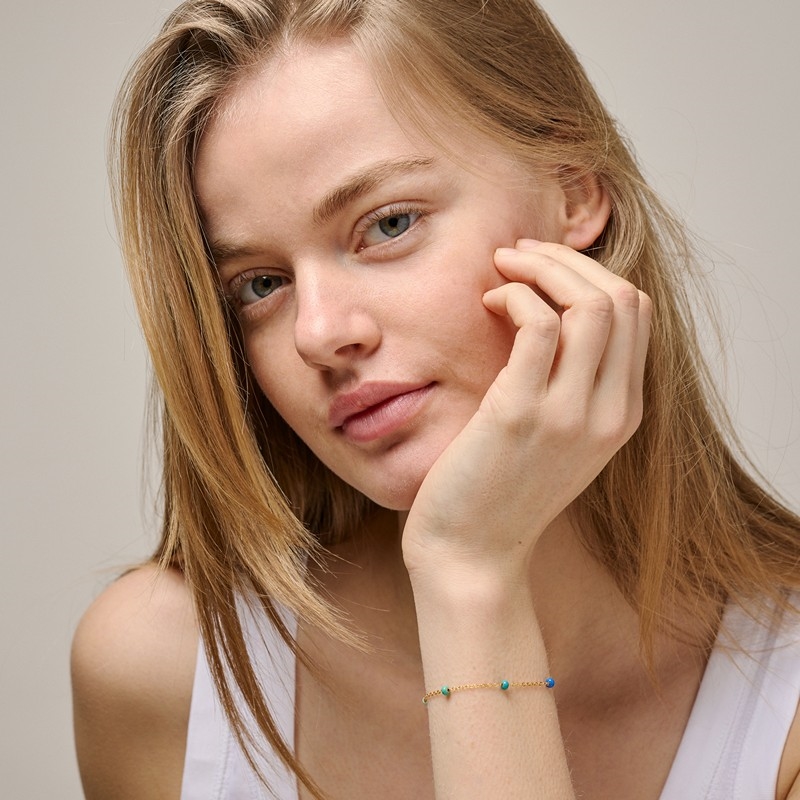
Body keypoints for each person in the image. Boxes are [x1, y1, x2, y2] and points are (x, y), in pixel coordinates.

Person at [70, 1, 800, 798]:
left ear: (573, 189)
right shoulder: (163, 670)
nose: (319, 333)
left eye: (388, 224)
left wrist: (470, 576)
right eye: (260, 285)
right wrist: (470, 572)